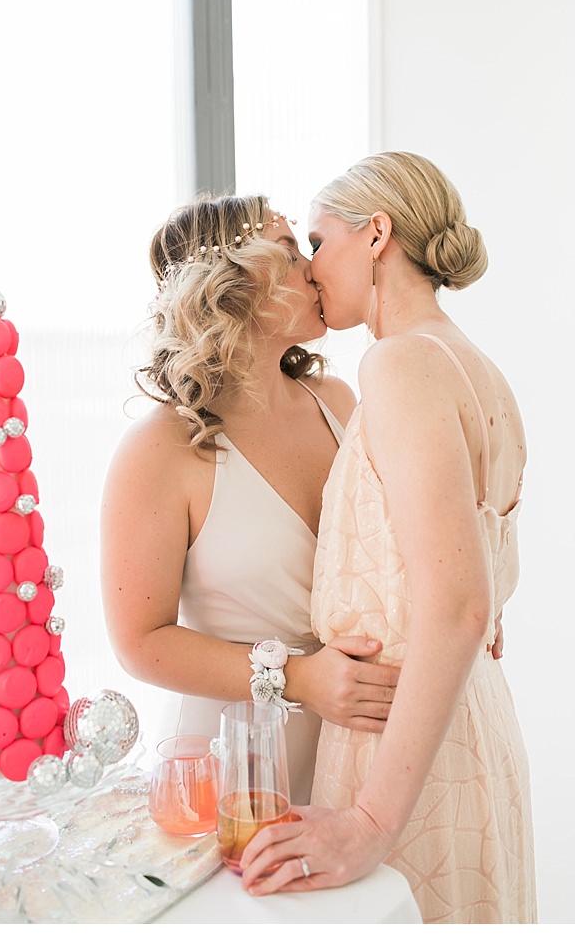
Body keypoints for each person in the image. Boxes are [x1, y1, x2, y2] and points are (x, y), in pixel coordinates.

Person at [239, 152, 537, 923]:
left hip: (404, 748)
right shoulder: (478, 368)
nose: (309, 266)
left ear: (377, 234)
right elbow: (483, 578)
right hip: (465, 728)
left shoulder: (399, 364)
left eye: (317, 240)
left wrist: (371, 820)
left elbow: (463, 604)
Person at [100, 193, 401, 805]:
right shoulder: (160, 449)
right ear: (232, 286)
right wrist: (300, 679)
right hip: (230, 764)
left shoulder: (338, 402)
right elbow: (141, 642)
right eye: (291, 251)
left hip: (361, 747)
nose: (313, 267)